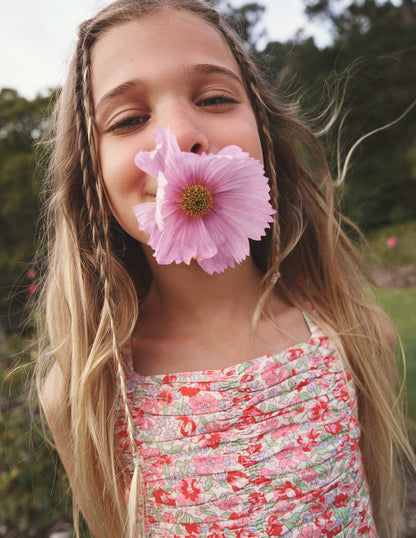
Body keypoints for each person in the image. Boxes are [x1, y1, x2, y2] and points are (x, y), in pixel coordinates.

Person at [35, 1, 415, 537]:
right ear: (89, 175)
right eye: (130, 119)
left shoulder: (357, 337)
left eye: (215, 98)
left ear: (263, 129)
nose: (182, 136)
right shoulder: (89, 394)